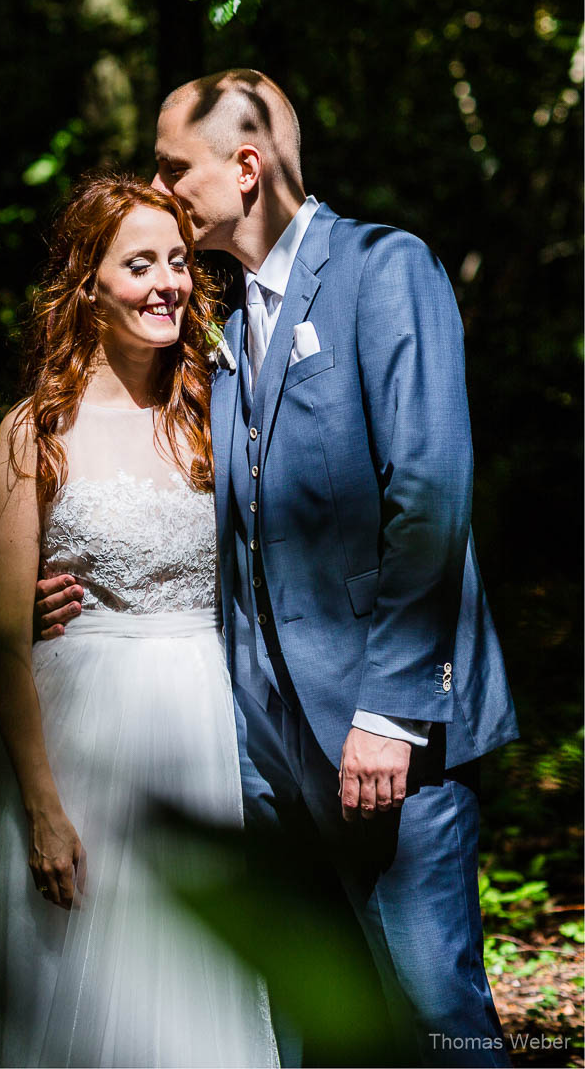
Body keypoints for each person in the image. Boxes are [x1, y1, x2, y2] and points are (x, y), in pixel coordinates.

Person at [36, 69, 518, 1066]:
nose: (163, 189)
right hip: (260, 756)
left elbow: (428, 494)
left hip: (388, 742)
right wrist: (79, 590)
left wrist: (391, 714)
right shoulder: (219, 324)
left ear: (245, 168)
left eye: (175, 169)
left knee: (437, 1020)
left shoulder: (384, 269)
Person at [0, 171, 279, 1067]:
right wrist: (42, 807)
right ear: (88, 282)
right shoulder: (35, 433)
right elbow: (0, 641)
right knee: (85, 995)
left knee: (195, 987)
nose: (167, 283)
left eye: (179, 261)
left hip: (204, 733)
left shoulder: (218, 416)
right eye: (138, 262)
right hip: (81, 742)